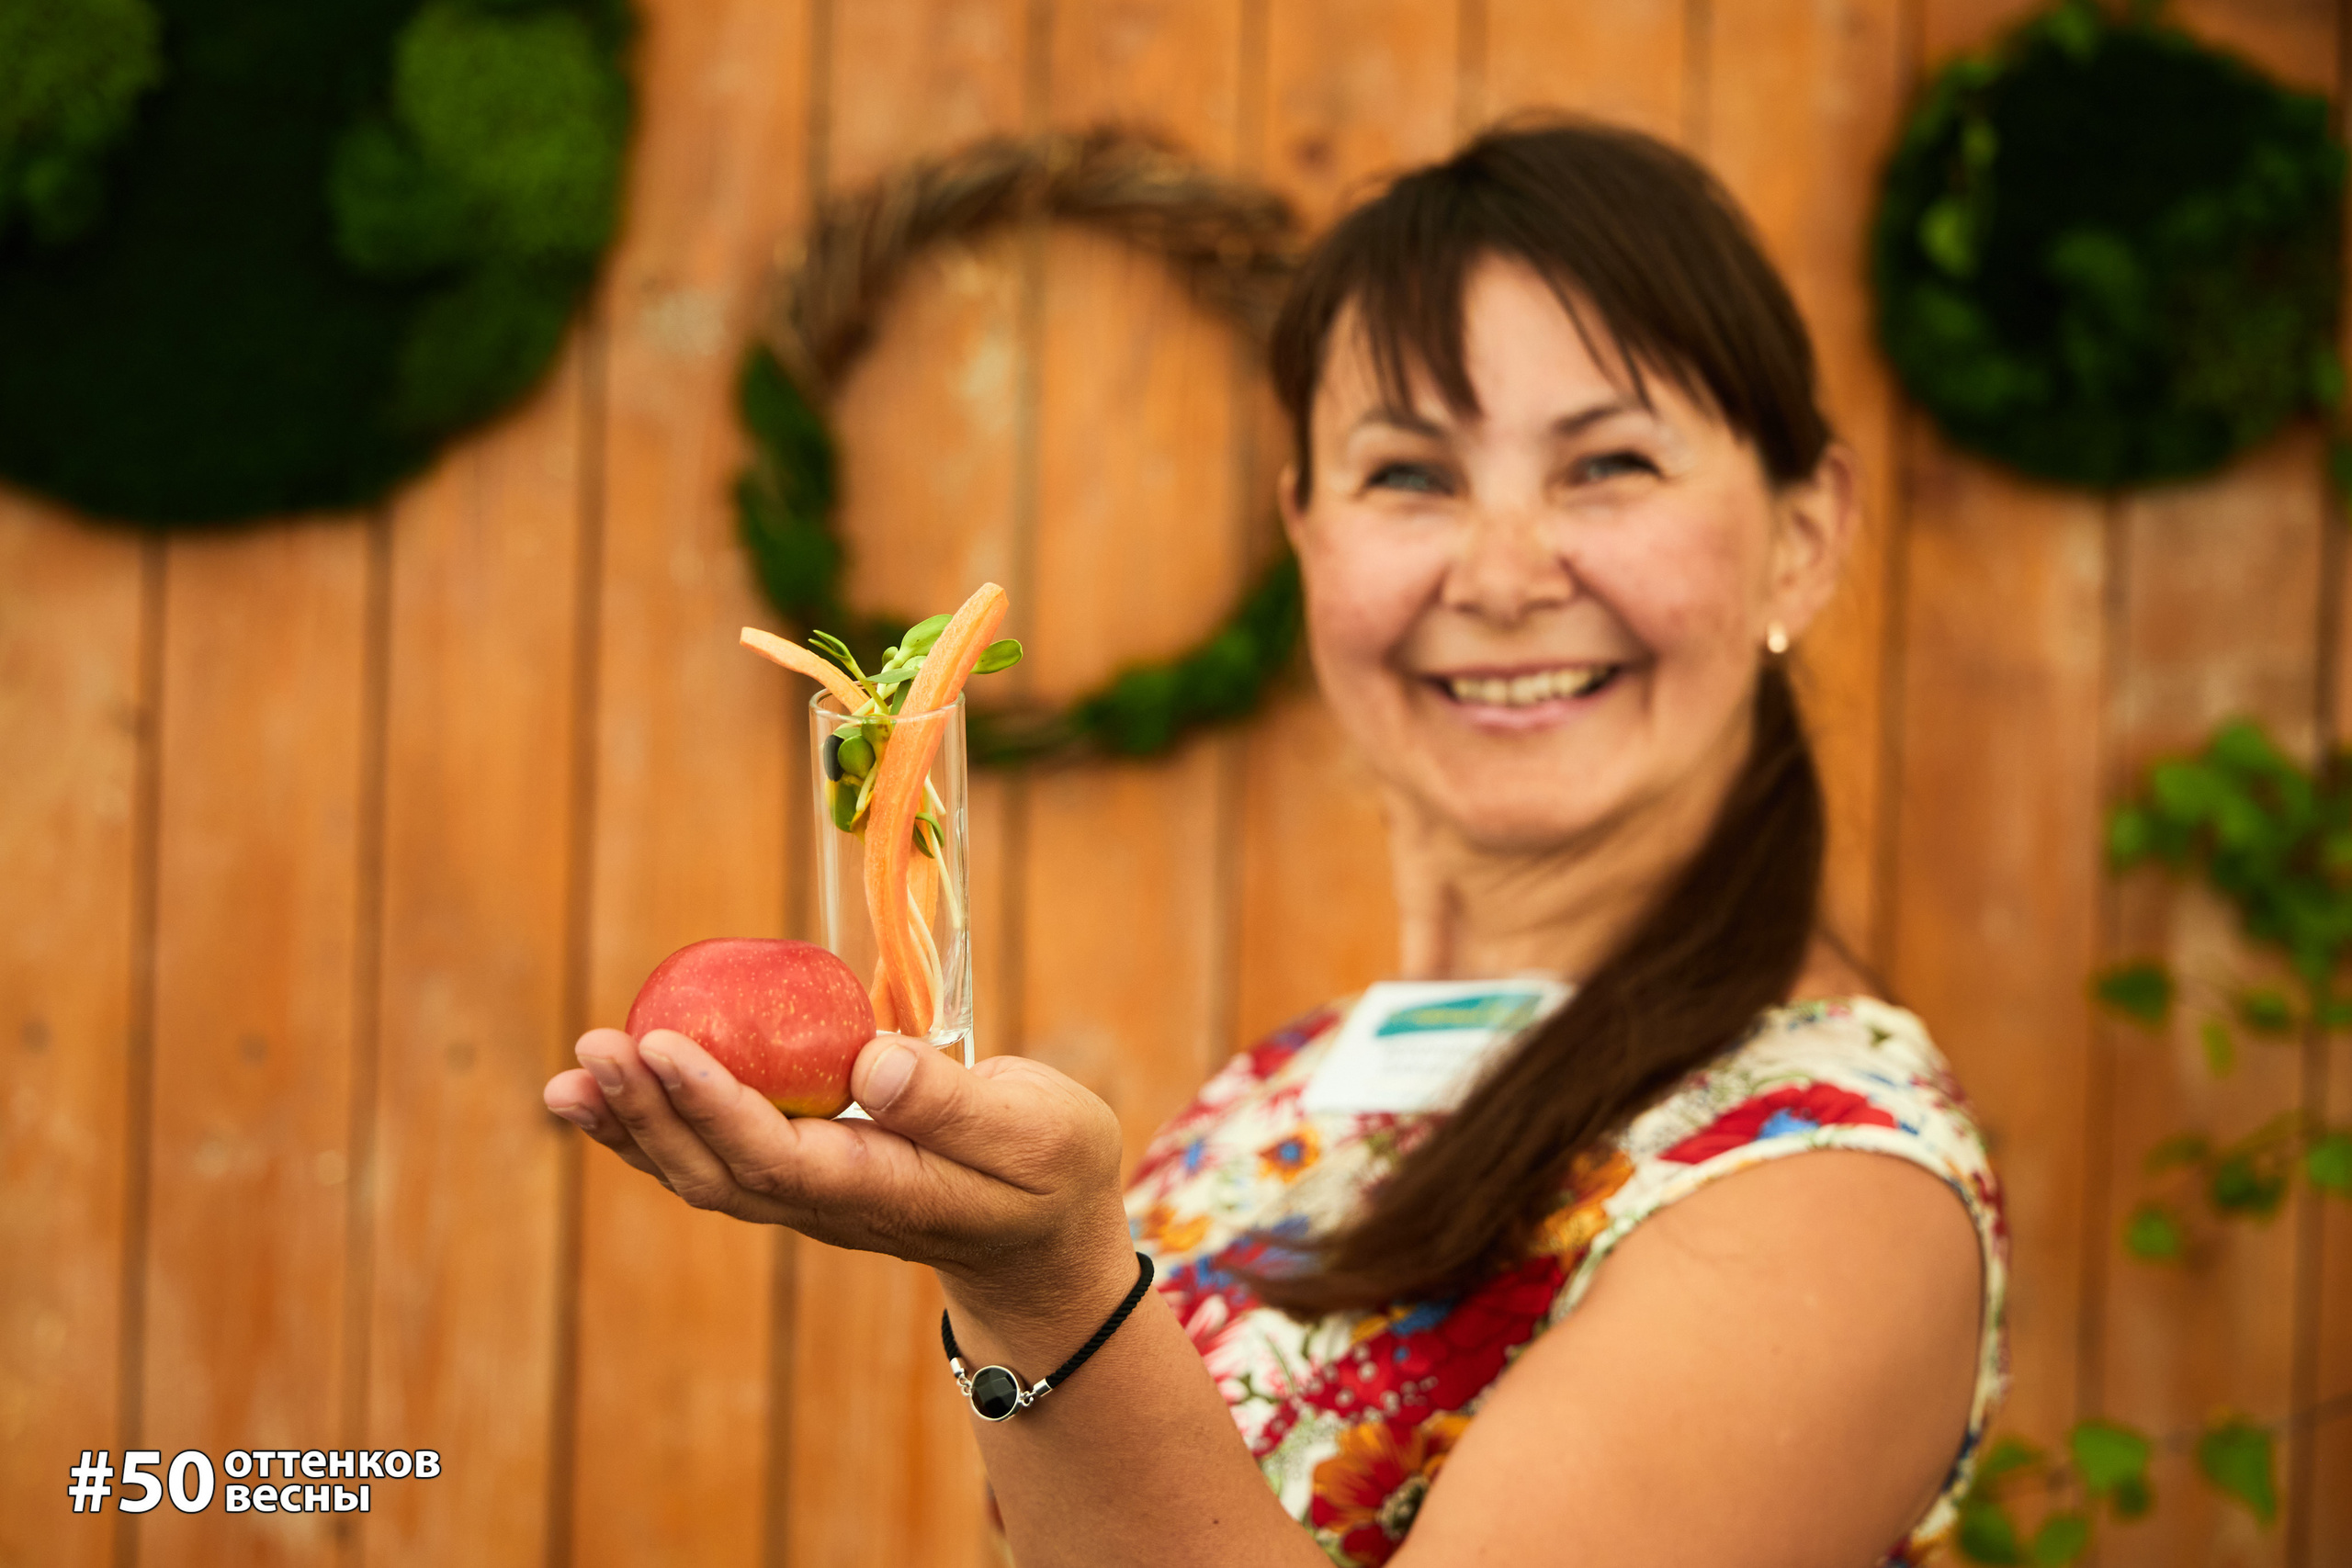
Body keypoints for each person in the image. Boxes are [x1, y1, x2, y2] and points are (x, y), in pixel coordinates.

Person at [542, 119, 2004, 1568]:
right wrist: (1012, 1287)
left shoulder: (1830, 1188)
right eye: (1409, 477)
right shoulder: (1289, 1083)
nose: (1498, 574)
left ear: (1804, 537)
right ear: (1307, 533)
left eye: (1609, 463)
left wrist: (1046, 1291)